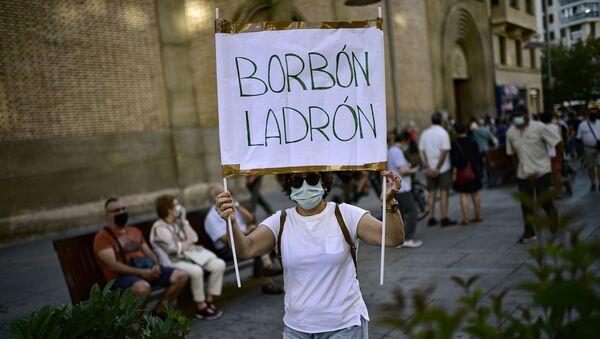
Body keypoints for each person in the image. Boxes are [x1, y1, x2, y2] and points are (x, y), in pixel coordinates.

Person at [215, 171, 405, 338]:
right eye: (297, 181)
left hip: (343, 326)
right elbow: (246, 249)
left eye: (312, 178)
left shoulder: (346, 214)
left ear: (324, 181)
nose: (305, 186)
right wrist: (231, 223)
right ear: (289, 186)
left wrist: (389, 204)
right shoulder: (280, 221)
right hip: (296, 328)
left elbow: (393, 238)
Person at [93, 197, 189, 315]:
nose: (122, 213)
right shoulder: (102, 237)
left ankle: (159, 312)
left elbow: (148, 252)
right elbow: (113, 266)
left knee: (181, 276)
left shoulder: (134, 231)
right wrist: (142, 273)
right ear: (107, 215)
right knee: (143, 288)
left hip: (146, 271)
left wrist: (157, 265)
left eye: (123, 209)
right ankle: (137, 322)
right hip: (121, 279)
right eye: (116, 210)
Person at [151, 195, 226, 320]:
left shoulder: (179, 222)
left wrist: (185, 221)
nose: (179, 208)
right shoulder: (159, 227)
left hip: (189, 257)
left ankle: (209, 300)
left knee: (219, 264)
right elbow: (173, 249)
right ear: (168, 209)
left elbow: (194, 237)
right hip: (172, 261)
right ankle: (201, 306)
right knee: (196, 271)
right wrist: (187, 242)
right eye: (176, 205)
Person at [204, 184, 283, 294]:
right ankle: (267, 275)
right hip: (227, 249)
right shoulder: (211, 218)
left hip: (244, 239)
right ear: (213, 199)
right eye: (218, 194)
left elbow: (250, 218)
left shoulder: (232, 207)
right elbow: (226, 240)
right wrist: (246, 232)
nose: (223, 196)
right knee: (256, 242)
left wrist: (235, 204)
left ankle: (268, 271)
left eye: (225, 192)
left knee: (260, 238)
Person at [506, 106, 562, 243]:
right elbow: (512, 154)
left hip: (541, 169)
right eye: (514, 116)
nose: (517, 119)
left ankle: (552, 216)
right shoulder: (510, 132)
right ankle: (529, 231)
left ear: (526, 115)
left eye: (519, 115)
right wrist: (516, 169)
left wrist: (558, 162)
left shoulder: (539, 127)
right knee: (526, 203)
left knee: (543, 198)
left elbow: (557, 143)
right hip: (524, 173)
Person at [419, 112, 457, 227]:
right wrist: (437, 168)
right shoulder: (443, 133)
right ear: (441, 121)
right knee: (444, 192)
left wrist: (426, 166)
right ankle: (444, 217)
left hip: (429, 168)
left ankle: (431, 218)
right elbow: (444, 151)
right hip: (443, 168)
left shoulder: (425, 133)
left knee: (431, 192)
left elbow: (421, 151)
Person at [388, 131, 422, 248]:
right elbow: (403, 170)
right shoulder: (396, 151)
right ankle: (407, 238)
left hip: (395, 187)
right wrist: (414, 170)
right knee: (413, 211)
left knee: (400, 214)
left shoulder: (391, 150)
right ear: (404, 141)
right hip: (402, 187)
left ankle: (399, 239)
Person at [450, 122, 483, 225]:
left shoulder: (455, 144)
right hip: (473, 171)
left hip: (461, 172)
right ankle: (478, 215)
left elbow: (454, 161)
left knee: (464, 194)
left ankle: (466, 218)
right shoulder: (473, 141)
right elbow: (479, 157)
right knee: (475, 193)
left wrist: (454, 175)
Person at [576, 110, 600, 192]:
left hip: (599, 149)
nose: (593, 115)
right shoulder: (582, 125)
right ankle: (593, 183)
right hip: (588, 149)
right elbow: (578, 138)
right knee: (591, 167)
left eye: (595, 114)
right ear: (588, 115)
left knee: (599, 166)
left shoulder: (599, 123)